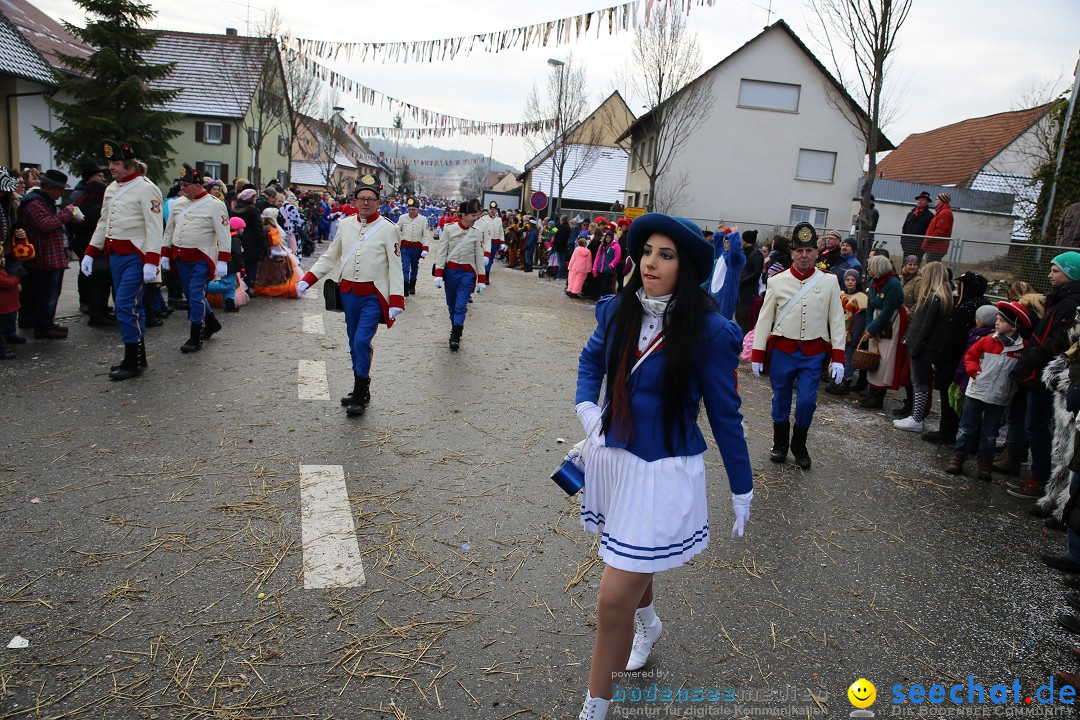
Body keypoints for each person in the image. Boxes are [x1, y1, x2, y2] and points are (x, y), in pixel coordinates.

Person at [573, 212, 752, 720]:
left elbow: (725, 415)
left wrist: (742, 487)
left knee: (612, 601)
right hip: (615, 461)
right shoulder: (617, 311)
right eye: (647, 251)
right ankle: (648, 623)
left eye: (665, 254)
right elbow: (590, 362)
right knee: (632, 556)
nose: (651, 261)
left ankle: (595, 708)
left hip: (664, 470)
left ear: (686, 267)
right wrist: (588, 407)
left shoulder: (711, 333)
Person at [297, 174, 404, 416]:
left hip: (372, 297)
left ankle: (359, 392)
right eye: (361, 198)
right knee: (353, 342)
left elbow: (396, 266)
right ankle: (362, 387)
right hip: (349, 294)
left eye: (371, 199)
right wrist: (308, 279)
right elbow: (330, 257)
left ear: (378, 202)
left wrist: (396, 299)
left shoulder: (388, 229)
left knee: (361, 341)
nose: (365, 203)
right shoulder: (345, 225)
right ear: (354, 201)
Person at [751, 223, 846, 469]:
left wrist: (838, 357)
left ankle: (799, 444)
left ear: (817, 253)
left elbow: (836, 320)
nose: (804, 255)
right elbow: (765, 319)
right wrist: (757, 353)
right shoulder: (777, 281)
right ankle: (780, 443)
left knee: (806, 401)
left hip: (813, 353)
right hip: (783, 350)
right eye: (799, 250)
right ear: (792, 253)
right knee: (780, 398)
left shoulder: (830, 282)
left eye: (809, 251)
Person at [80, 141, 163, 380]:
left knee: (126, 305)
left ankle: (132, 360)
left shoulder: (146, 188)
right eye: (109, 163)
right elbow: (104, 222)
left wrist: (152, 261)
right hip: (115, 254)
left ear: (128, 164)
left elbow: (154, 227)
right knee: (127, 306)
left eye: (115, 163)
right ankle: (139, 355)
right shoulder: (111, 188)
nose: (110, 167)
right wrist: (90, 252)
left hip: (136, 256)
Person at [1007, 252, 1080, 499]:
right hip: (1038, 369)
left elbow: (1056, 341)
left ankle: (1041, 477)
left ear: (1071, 273)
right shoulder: (1061, 299)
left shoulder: (1069, 304)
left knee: (1036, 426)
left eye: (1056, 270)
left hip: (1046, 374)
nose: (1050, 275)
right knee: (1032, 424)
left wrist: (1030, 359)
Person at [946, 301, 1029, 480]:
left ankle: (985, 463)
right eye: (997, 319)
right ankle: (958, 456)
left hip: (1000, 395)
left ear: (1014, 326)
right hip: (976, 390)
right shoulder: (986, 340)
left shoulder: (1022, 348)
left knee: (990, 433)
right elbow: (970, 355)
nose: (997, 323)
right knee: (967, 427)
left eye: (1003, 321)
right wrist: (973, 370)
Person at [160, 164, 230, 354]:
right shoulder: (177, 204)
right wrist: (165, 253)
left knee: (195, 294)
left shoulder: (215, 205)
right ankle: (212, 322)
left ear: (198, 185)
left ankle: (195, 335)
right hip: (181, 257)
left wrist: (223, 259)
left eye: (186, 185)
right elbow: (170, 230)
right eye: (181, 185)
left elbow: (224, 234)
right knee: (191, 295)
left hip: (201, 258)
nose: (182, 189)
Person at [923, 271, 990, 445]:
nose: (959, 289)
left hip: (957, 358)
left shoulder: (966, 308)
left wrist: (939, 359)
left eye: (962, 285)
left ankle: (947, 431)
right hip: (973, 359)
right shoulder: (983, 305)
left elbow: (952, 337)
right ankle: (966, 433)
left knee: (949, 395)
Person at [18, 169, 83, 340]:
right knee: (46, 294)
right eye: (60, 189)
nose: (62, 193)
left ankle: (46, 322)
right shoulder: (34, 203)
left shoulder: (44, 201)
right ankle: (42, 326)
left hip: (51, 255)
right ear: (50, 188)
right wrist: (66, 214)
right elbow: (45, 224)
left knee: (51, 293)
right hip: (44, 257)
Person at [893, 262, 953, 432]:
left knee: (919, 383)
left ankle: (917, 417)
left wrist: (917, 346)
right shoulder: (941, 297)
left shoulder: (935, 299)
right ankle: (915, 415)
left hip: (923, 347)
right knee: (918, 382)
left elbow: (926, 327)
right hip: (924, 346)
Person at [433, 198, 486, 351]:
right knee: (451, 303)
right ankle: (454, 325)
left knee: (461, 305)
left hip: (467, 274)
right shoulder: (449, 229)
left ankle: (455, 334)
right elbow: (442, 252)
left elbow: (478, 257)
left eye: (476, 215)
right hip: (450, 272)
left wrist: (481, 279)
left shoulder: (477, 233)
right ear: (463, 215)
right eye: (472, 215)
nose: (475, 218)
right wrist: (438, 273)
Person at [860, 255, 909, 409]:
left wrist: (873, 328)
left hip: (890, 324)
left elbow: (887, 311)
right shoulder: (874, 281)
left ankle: (878, 395)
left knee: (886, 359)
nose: (868, 270)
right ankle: (872, 390)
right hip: (876, 320)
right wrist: (869, 327)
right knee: (873, 355)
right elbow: (870, 306)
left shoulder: (893, 284)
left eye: (870, 267)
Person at [826, 269, 868, 395]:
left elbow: (861, 320)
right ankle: (836, 378)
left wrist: (856, 337)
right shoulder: (841, 294)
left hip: (851, 332)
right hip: (839, 331)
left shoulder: (861, 298)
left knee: (849, 358)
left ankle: (844, 381)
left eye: (853, 280)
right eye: (847, 280)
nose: (850, 282)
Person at [396, 197, 430, 297]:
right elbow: (397, 231)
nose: (411, 211)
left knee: (414, 267)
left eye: (413, 210)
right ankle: (405, 287)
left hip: (416, 247)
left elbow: (426, 235)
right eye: (410, 209)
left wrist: (425, 248)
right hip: (405, 246)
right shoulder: (402, 218)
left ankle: (412, 286)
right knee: (405, 267)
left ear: (417, 210)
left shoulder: (423, 219)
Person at [736, 230, 764, 333]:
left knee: (744, 318)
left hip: (748, 292)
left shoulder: (756, 254)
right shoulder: (745, 251)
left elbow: (756, 273)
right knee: (738, 316)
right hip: (741, 290)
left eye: (742, 239)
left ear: (746, 241)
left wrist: (743, 281)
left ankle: (745, 342)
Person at [900, 192, 934, 262]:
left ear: (927, 202)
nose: (919, 201)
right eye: (919, 199)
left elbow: (928, 232)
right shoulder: (910, 214)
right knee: (905, 265)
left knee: (915, 265)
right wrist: (903, 242)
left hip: (918, 247)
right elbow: (904, 228)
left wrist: (922, 246)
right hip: (907, 245)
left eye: (922, 200)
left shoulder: (929, 216)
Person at [922, 192, 954, 264]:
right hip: (934, 246)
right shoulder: (941, 212)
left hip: (936, 247)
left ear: (942, 201)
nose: (935, 201)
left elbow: (940, 231)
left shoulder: (944, 213)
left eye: (937, 199)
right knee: (931, 268)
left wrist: (929, 239)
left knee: (931, 269)